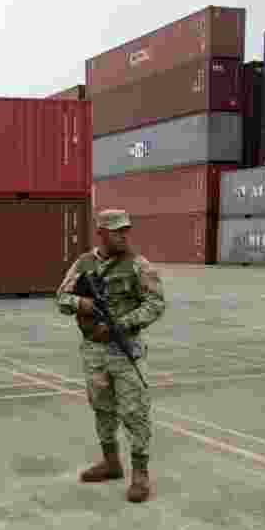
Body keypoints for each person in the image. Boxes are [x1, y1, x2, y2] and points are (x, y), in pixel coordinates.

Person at [55, 209, 166, 503]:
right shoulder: (84, 263)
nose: (123, 235)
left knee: (134, 410)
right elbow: (61, 298)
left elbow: (155, 304)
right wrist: (85, 305)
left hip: (124, 347)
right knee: (102, 406)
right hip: (94, 350)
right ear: (101, 233)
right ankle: (111, 462)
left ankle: (140, 474)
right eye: (117, 231)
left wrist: (121, 324)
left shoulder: (137, 265)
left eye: (126, 230)